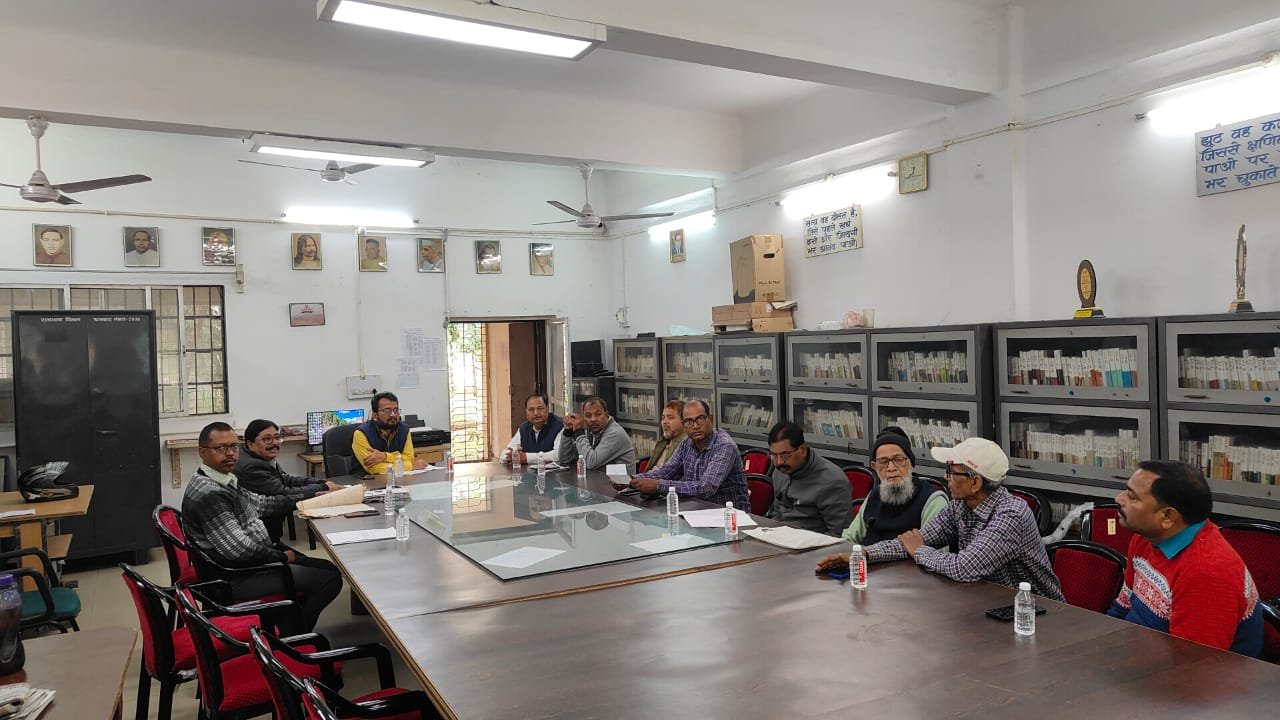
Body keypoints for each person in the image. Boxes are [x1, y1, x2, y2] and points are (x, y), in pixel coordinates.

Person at [818, 437, 1063, 600]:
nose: (946, 478)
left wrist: (919, 551)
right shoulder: (960, 506)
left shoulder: (1011, 515)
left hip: (1038, 613)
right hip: (987, 600)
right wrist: (863, 555)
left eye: (951, 472)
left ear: (975, 482)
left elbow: (963, 567)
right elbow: (914, 540)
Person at [181, 422, 343, 633]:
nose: (230, 453)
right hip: (235, 577)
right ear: (203, 452)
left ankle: (285, 624)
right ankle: (289, 638)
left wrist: (313, 498)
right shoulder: (210, 494)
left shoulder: (222, 479)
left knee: (327, 568)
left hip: (247, 564)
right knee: (328, 579)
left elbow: (262, 504)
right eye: (221, 448)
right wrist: (282, 557)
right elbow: (240, 550)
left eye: (233, 447)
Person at [1107, 460, 1262, 656]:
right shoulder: (1145, 538)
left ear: (1167, 517)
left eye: (1132, 497)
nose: (1118, 499)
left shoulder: (1206, 574)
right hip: (1142, 653)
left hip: (1189, 669)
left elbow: (1193, 664)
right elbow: (1122, 608)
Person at [234, 419, 343, 542]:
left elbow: (286, 479)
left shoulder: (261, 457)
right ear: (250, 443)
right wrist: (323, 488)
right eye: (267, 439)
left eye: (277, 437)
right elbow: (283, 492)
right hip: (260, 537)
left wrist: (320, 483)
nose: (275, 443)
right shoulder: (252, 466)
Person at [630, 400, 749, 509]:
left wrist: (658, 486)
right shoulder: (686, 443)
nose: (695, 426)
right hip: (696, 511)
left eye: (700, 419)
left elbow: (706, 488)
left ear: (711, 419)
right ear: (683, 425)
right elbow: (667, 472)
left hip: (729, 515)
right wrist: (631, 480)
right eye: (689, 422)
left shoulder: (724, 445)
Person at [840, 426, 948, 544]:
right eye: (883, 462)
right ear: (875, 467)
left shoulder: (932, 500)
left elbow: (935, 552)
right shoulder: (874, 494)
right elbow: (849, 537)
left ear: (911, 463)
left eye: (898, 460)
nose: (891, 468)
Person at [764, 420, 852, 536]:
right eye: (774, 455)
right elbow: (777, 513)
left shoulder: (832, 481)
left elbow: (839, 535)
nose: (779, 462)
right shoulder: (781, 471)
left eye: (785, 455)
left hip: (812, 542)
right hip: (780, 536)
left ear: (803, 450)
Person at [353, 392, 427, 474]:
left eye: (395, 410)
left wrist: (385, 457)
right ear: (375, 415)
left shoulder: (404, 429)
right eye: (387, 411)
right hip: (368, 479)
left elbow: (409, 458)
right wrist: (411, 466)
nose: (393, 414)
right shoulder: (361, 433)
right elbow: (374, 468)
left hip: (400, 478)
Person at [556, 396, 637, 470]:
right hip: (596, 479)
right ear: (583, 417)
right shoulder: (588, 430)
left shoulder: (615, 433)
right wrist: (568, 432)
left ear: (606, 414)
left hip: (618, 481)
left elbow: (590, 463)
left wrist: (578, 432)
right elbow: (564, 459)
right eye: (588, 415)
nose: (593, 419)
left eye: (598, 414)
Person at [499, 393, 564, 466]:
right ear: (526, 412)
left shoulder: (560, 425)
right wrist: (509, 456)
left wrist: (527, 457)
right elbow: (505, 453)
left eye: (540, 408)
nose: (536, 413)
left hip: (555, 472)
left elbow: (559, 454)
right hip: (528, 472)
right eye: (531, 409)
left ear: (548, 409)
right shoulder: (524, 428)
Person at [647, 400, 686, 471]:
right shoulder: (662, 442)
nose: (664, 422)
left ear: (683, 421)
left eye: (670, 418)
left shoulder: (685, 446)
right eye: (663, 418)